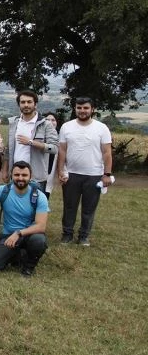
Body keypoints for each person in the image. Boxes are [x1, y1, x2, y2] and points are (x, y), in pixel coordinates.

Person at [0, 162, 50, 277]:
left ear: (30, 177)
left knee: (39, 240)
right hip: (7, 235)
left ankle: (29, 266)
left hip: (28, 234)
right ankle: (17, 254)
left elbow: (41, 226)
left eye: (24, 175)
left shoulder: (39, 196)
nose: (20, 178)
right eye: (17, 175)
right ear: (11, 175)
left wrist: (18, 233)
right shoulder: (4, 190)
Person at [56, 96, 113, 246]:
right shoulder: (66, 127)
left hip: (94, 175)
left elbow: (107, 153)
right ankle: (67, 234)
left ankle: (84, 236)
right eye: (79, 108)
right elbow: (62, 150)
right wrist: (60, 171)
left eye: (86, 108)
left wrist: (107, 174)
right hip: (72, 174)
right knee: (69, 206)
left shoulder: (102, 128)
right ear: (75, 109)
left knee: (89, 208)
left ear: (92, 109)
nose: (82, 111)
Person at [5, 90, 58, 192]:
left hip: (36, 177)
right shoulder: (14, 123)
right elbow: (9, 149)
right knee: (15, 206)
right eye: (23, 102)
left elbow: (54, 148)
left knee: (35, 207)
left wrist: (31, 142)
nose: (26, 105)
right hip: (16, 175)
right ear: (19, 105)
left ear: (35, 105)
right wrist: (5, 170)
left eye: (29, 102)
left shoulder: (46, 124)